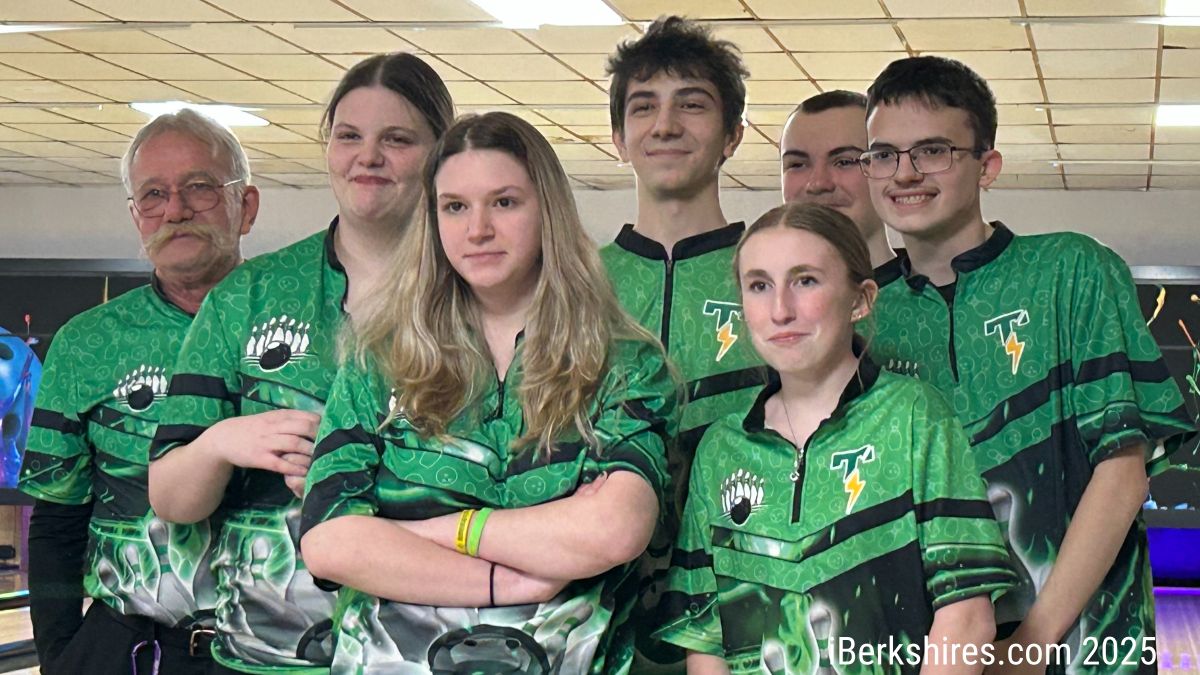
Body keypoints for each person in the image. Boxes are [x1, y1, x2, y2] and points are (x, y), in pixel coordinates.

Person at [298, 111, 679, 674]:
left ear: (547, 211)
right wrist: (507, 580)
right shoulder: (379, 358)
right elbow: (329, 543)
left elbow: (614, 530)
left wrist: (427, 533)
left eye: (504, 202)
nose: (477, 229)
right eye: (455, 207)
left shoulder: (620, 362)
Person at [861, 56, 1195, 674]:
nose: (905, 172)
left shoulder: (1072, 271)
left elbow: (1123, 473)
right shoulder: (868, 319)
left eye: (933, 151)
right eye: (884, 154)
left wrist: (1032, 644)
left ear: (987, 165)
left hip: (1091, 647)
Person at [147, 53, 454, 674]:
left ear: (440, 153)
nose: (368, 157)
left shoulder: (479, 295)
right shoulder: (249, 295)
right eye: (349, 136)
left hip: (425, 648)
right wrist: (223, 443)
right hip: (265, 653)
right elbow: (172, 498)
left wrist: (364, 474)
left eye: (397, 139)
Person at [656, 203, 1014, 675]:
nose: (780, 310)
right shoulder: (721, 448)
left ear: (860, 299)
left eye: (805, 281)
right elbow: (705, 638)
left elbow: (967, 618)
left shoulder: (913, 416)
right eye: (759, 286)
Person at [19, 108, 258, 674]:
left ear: (245, 207)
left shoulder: (306, 328)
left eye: (199, 187)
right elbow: (57, 520)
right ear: (136, 216)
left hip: (278, 653)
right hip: (130, 649)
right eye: (153, 194)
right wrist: (62, 658)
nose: (175, 210)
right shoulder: (87, 342)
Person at [599, 17, 764, 667]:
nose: (665, 125)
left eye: (691, 104)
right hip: (597, 621)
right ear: (619, 137)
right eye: (644, 107)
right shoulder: (572, 288)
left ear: (732, 135)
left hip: (751, 614)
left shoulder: (779, 278)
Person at [781, 90, 895, 268]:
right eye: (797, 165)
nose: (818, 183)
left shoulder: (931, 285)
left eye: (844, 162)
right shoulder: (751, 284)